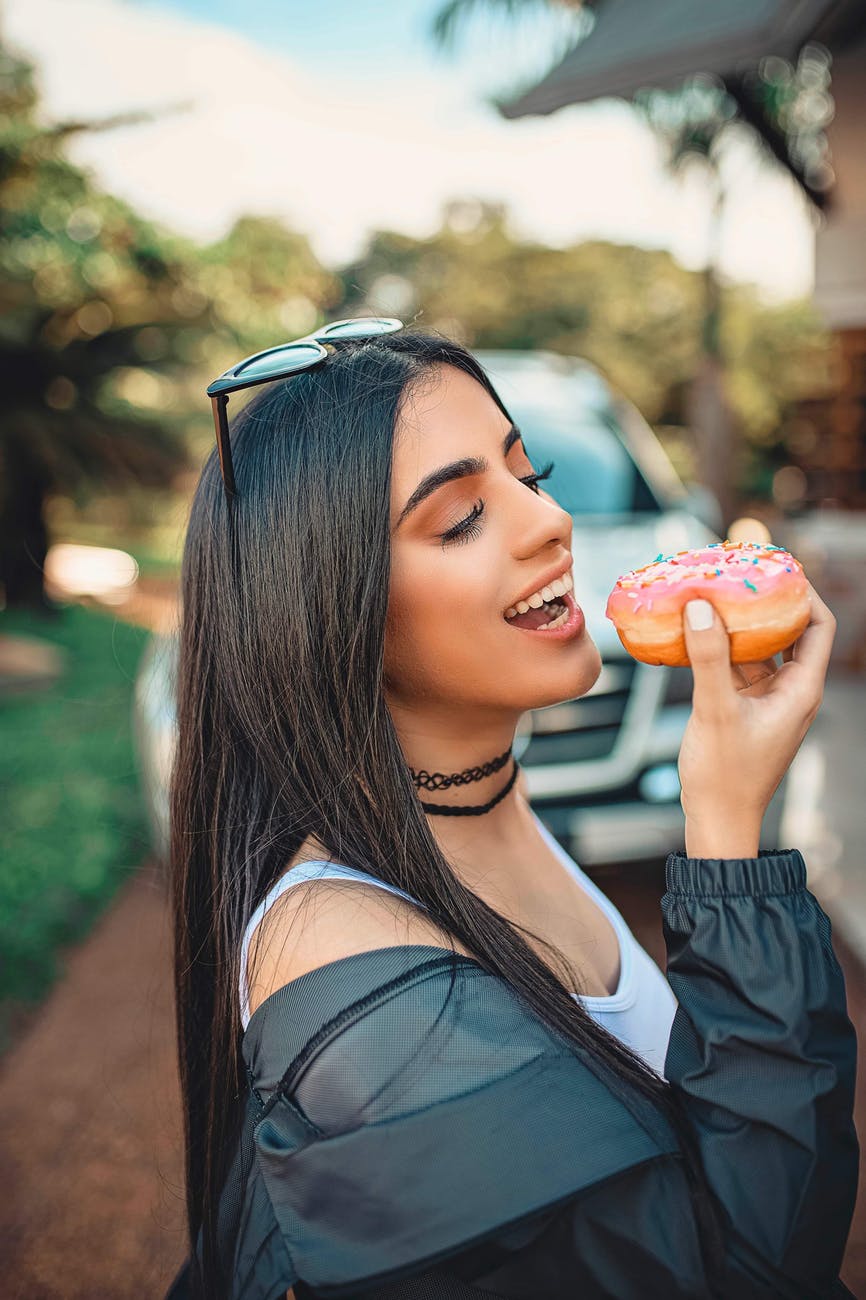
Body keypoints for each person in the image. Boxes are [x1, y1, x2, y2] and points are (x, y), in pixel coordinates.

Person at [166, 323, 858, 1300]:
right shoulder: (374, 1009)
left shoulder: (480, 807)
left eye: (525, 478)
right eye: (456, 519)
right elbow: (748, 1275)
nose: (549, 524)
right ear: (327, 605)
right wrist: (726, 844)